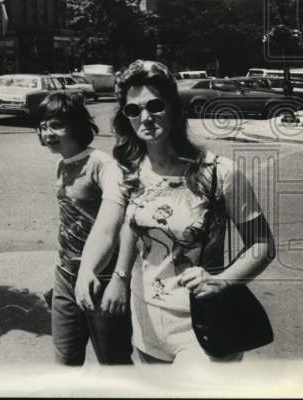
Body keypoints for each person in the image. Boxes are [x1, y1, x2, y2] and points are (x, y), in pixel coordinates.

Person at [101, 60, 276, 364]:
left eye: (155, 105)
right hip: (146, 319)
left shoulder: (219, 172)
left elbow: (262, 245)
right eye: (133, 110)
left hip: (204, 322)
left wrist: (224, 280)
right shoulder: (130, 172)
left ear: (174, 107)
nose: (145, 117)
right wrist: (119, 276)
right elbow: (132, 223)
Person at [36, 91, 132, 366]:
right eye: (43, 127)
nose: (48, 133)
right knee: (65, 362)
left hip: (101, 277)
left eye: (56, 125)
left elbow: (124, 221)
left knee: (113, 363)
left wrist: (120, 278)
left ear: (76, 125)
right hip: (66, 277)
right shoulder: (60, 164)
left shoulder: (101, 164)